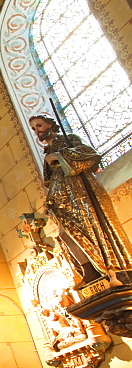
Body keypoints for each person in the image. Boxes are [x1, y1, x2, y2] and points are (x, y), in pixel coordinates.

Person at [29, 115, 132, 287]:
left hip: (81, 195)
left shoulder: (69, 140)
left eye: (39, 125)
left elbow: (90, 154)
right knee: (65, 235)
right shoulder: (48, 151)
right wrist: (50, 201)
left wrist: (60, 156)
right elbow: (52, 180)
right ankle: (89, 270)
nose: (37, 130)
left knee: (90, 228)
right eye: (33, 128)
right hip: (62, 200)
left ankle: (110, 267)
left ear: (50, 125)